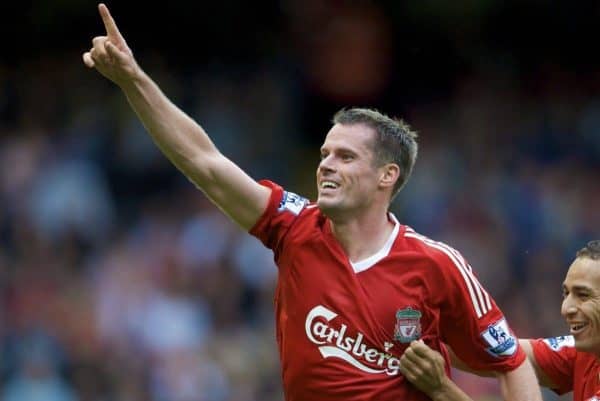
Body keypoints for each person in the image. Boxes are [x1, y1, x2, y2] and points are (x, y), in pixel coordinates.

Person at [82, 4, 542, 401]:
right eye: (324, 154)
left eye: (345, 156)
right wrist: (133, 80)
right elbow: (205, 162)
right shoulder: (293, 226)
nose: (326, 165)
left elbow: (511, 360)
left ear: (387, 176)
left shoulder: (436, 265)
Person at [400, 240, 600, 401]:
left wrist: (442, 390)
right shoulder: (584, 354)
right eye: (566, 294)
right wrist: (407, 335)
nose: (566, 309)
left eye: (583, 295)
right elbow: (493, 353)